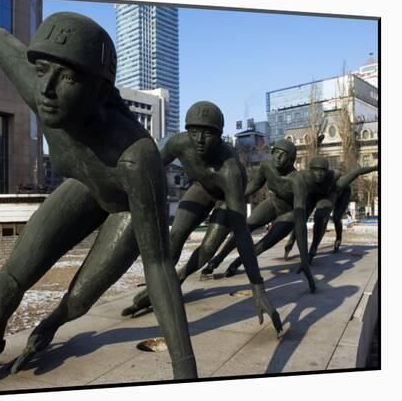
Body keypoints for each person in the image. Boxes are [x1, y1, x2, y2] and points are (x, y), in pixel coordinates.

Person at [0, 12, 197, 384]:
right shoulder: (41, 91)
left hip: (125, 208)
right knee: (8, 280)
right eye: (43, 72)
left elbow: (159, 265)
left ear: (100, 91)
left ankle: (49, 326)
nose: (47, 89)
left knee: (80, 298)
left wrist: (185, 372)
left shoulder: (135, 157)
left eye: (67, 78)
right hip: (85, 186)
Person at [120, 101, 282, 335]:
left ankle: (180, 277)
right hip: (202, 187)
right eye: (194, 132)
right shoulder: (178, 143)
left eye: (208, 133)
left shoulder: (230, 170)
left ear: (219, 135)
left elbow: (242, 234)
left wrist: (258, 287)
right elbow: (150, 167)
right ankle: (162, 284)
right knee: (175, 235)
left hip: (226, 197)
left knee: (207, 249)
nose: (200, 139)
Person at [222, 157, 377, 277]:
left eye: (322, 171)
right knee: (300, 217)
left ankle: (320, 246)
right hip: (312, 194)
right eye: (315, 171)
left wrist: (376, 167)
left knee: (326, 217)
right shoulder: (302, 178)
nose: (319, 174)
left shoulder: (336, 180)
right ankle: (291, 241)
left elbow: (357, 172)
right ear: (309, 171)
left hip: (331, 193)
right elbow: (299, 217)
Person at [196, 139, 316, 292]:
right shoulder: (267, 166)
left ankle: (238, 262)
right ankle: (217, 260)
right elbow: (254, 185)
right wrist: (234, 197)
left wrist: (304, 258)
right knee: (245, 228)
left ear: (291, 160)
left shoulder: (297, 181)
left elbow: (300, 222)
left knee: (263, 244)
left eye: (283, 155)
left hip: (289, 213)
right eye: (276, 153)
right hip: (273, 203)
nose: (278, 157)